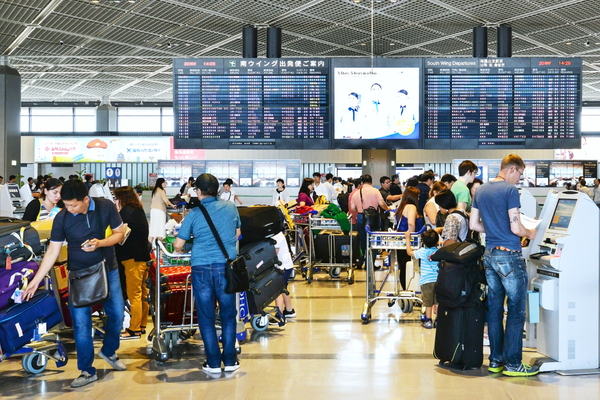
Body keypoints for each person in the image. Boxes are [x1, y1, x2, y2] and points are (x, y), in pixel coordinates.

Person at [22, 179, 126, 388]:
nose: (69, 209)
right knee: (80, 323)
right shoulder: (62, 217)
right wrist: (36, 280)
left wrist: (100, 243)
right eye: (66, 205)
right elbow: (53, 250)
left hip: (108, 270)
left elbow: (120, 233)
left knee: (117, 314)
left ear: (86, 200)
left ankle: (108, 350)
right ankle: (87, 371)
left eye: (73, 205)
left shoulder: (105, 206)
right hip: (78, 275)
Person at [469, 154, 538, 377]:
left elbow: (473, 224)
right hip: (509, 255)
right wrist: (530, 233)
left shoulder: (481, 190)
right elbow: (516, 228)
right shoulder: (510, 191)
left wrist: (494, 230)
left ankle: (496, 360)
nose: (519, 179)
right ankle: (513, 364)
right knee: (516, 311)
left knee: (495, 310)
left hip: (489, 255)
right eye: (520, 174)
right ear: (512, 169)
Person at [173, 174, 241, 374]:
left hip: (201, 268)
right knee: (228, 315)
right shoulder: (231, 207)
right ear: (217, 190)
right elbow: (237, 233)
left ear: (198, 192)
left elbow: (178, 245)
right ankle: (230, 360)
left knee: (206, 316)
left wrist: (190, 245)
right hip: (225, 268)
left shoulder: (193, 213)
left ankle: (213, 363)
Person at [114, 187, 151, 339]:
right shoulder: (137, 210)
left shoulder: (126, 212)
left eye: (116, 198)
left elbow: (115, 232)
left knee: (134, 295)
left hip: (132, 260)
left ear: (122, 198)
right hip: (143, 258)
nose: (115, 201)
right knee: (142, 295)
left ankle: (134, 329)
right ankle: (142, 325)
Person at [350, 174, 389, 268]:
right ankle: (370, 264)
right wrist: (387, 209)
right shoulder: (375, 191)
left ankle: (360, 262)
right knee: (373, 240)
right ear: (371, 182)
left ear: (362, 182)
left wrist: (360, 212)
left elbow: (352, 208)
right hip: (373, 218)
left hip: (360, 217)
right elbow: (381, 203)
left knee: (362, 240)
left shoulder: (356, 193)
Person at [405, 229, 439, 329]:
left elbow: (409, 252)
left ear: (423, 242)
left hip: (426, 281)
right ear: (437, 241)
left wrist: (407, 239)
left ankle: (428, 320)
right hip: (438, 280)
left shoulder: (422, 252)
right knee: (438, 301)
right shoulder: (439, 252)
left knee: (428, 302)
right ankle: (438, 320)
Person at [394, 186, 424, 289]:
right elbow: (411, 223)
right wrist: (412, 236)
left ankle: (405, 289)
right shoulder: (411, 207)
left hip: (401, 241)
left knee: (404, 266)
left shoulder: (402, 207)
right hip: (409, 242)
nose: (418, 198)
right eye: (417, 196)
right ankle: (409, 289)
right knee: (409, 266)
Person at [272, 231, 296, 319]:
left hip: (283, 266)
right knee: (283, 288)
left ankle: (279, 315)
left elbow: (274, 253)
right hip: (287, 265)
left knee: (277, 290)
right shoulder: (279, 234)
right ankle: (289, 310)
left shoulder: (276, 236)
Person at [149, 178, 173, 243]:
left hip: (153, 210)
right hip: (159, 210)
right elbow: (165, 200)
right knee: (160, 227)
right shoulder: (161, 190)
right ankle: (159, 245)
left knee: (153, 227)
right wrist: (172, 205)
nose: (165, 184)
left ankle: (150, 244)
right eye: (164, 182)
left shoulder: (155, 190)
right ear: (160, 183)